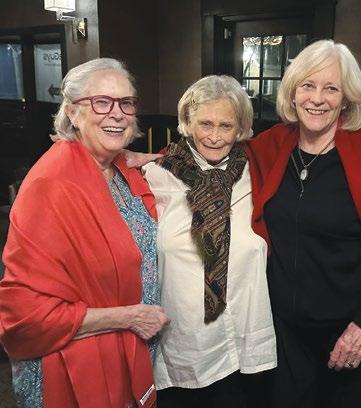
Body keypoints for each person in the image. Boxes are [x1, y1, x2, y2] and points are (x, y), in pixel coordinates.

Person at [244, 39, 361, 408]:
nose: (317, 99)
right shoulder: (273, 145)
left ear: (346, 98)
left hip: (348, 336)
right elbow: (216, 151)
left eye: (331, 88)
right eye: (308, 85)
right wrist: (151, 158)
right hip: (283, 337)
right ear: (293, 93)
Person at [0, 58, 170, 408]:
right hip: (76, 367)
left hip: (128, 355)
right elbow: (26, 316)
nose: (117, 113)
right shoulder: (50, 186)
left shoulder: (120, 168)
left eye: (126, 103)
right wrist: (130, 317)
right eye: (101, 102)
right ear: (72, 113)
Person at [141, 75, 277, 408]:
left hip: (244, 339)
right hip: (185, 342)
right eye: (205, 124)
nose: (214, 137)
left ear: (241, 128)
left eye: (226, 126)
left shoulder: (258, 173)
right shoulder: (156, 175)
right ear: (187, 122)